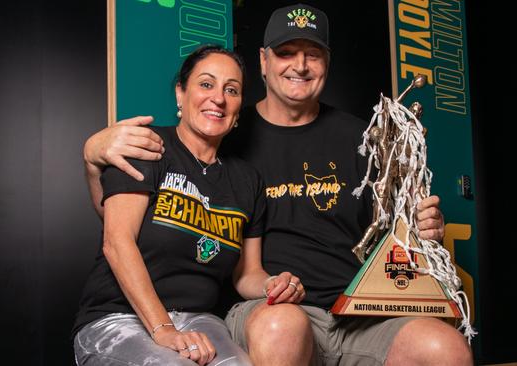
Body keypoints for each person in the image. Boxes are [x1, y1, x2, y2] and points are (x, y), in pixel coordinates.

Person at [83, 4, 473, 366]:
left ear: (327, 63)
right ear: (264, 61)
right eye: (286, 52)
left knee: (447, 349)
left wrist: (422, 233)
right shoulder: (223, 134)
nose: (300, 66)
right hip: (271, 312)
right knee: (282, 326)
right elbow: (117, 228)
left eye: (313, 54)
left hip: (357, 313)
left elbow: (393, 232)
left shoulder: (365, 138)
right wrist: (92, 154)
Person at [72, 45, 306, 366]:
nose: (218, 98)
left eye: (232, 90)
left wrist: (273, 284)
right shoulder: (147, 145)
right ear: (181, 94)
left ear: (239, 107)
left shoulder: (247, 179)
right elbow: (117, 242)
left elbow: (245, 274)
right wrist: (164, 329)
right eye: (206, 84)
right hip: (118, 317)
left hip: (199, 321)